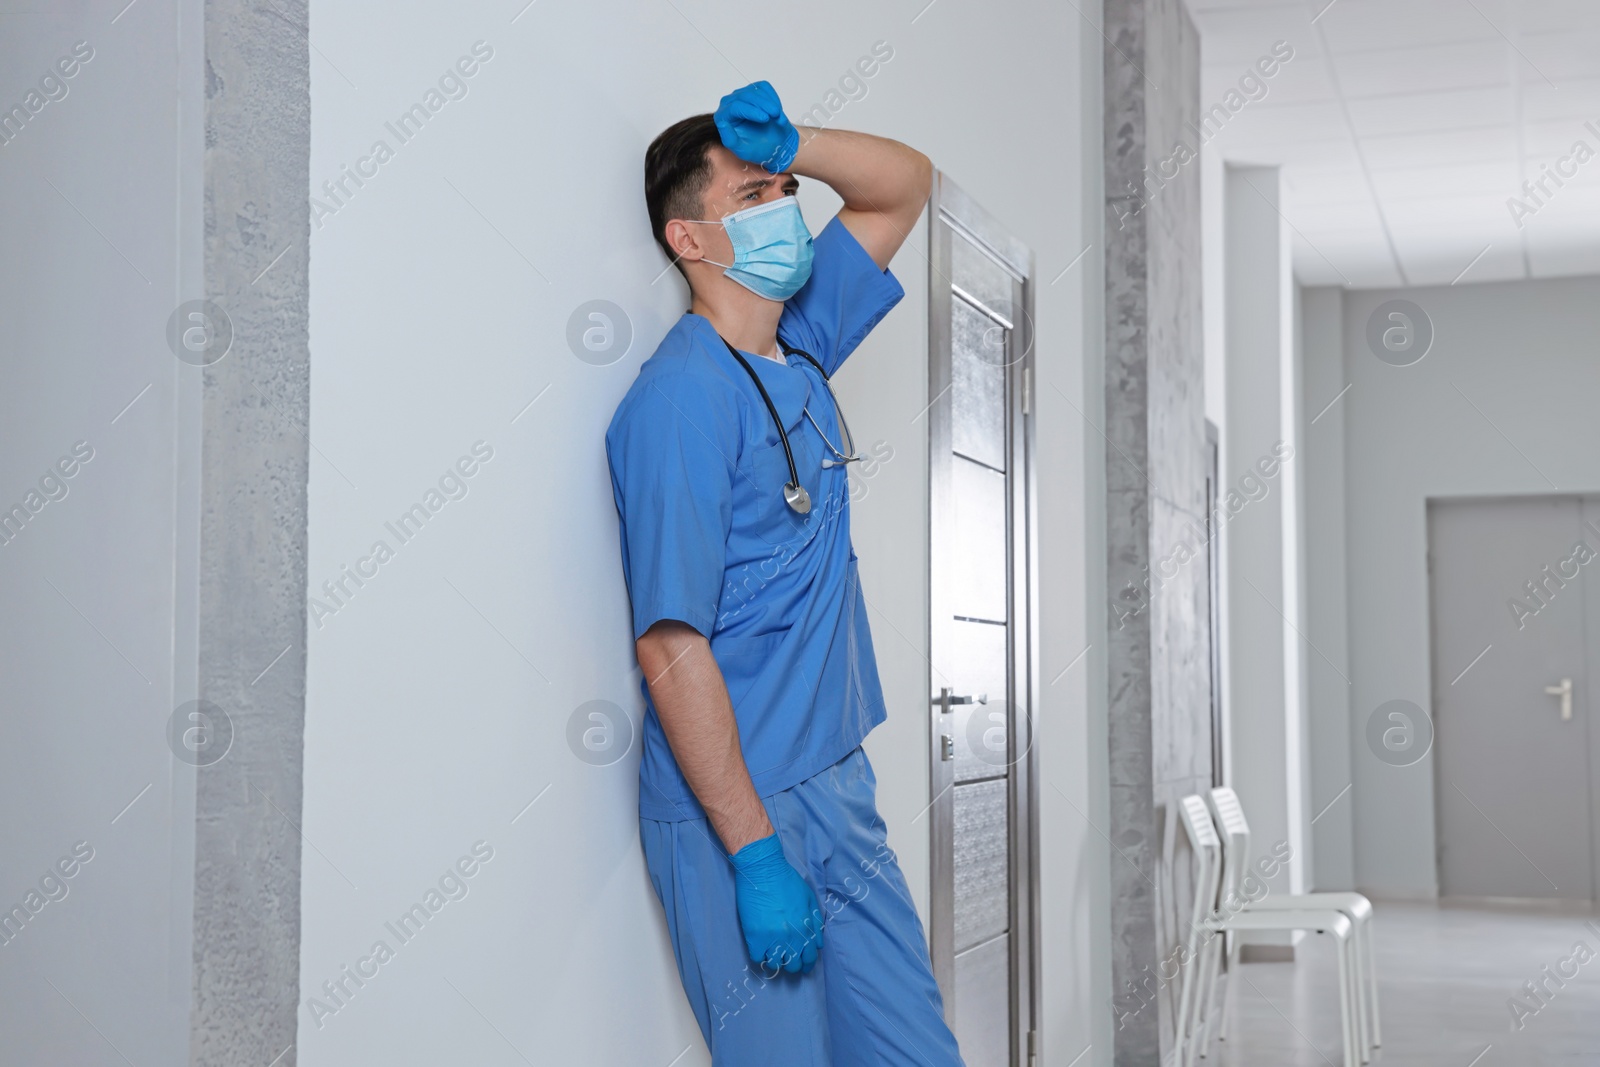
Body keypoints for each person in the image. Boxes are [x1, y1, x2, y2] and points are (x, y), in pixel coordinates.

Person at [604, 82, 964, 1065]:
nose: (782, 212)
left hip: (834, 785)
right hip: (737, 807)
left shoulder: (798, 345)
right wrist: (755, 853)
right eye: (752, 199)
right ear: (689, 240)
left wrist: (794, 142)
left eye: (783, 192)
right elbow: (670, 645)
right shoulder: (680, 401)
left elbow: (900, 185)